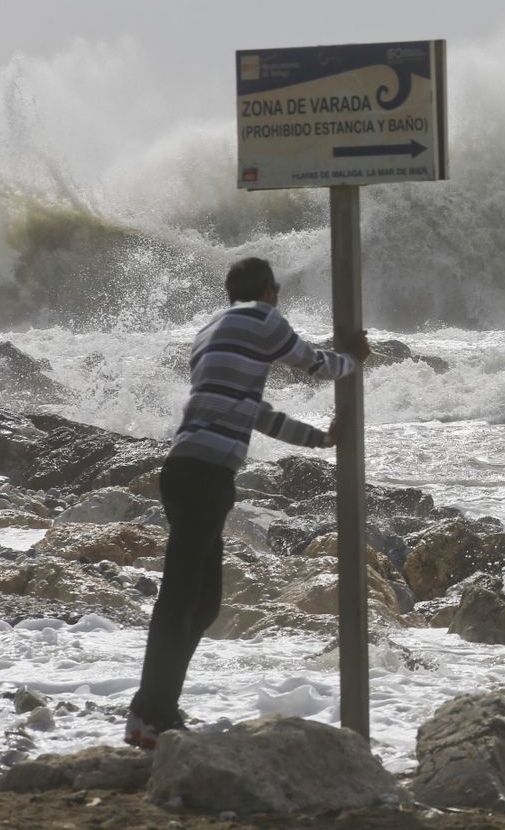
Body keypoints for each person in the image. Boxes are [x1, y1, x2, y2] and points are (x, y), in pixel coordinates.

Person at [125, 256, 370, 749]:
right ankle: (147, 714)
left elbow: (254, 412)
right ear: (267, 290)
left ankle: (159, 707)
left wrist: (319, 440)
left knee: (203, 601)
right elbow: (313, 365)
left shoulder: (209, 333)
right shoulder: (263, 318)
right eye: (276, 289)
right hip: (205, 474)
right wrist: (355, 360)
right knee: (180, 600)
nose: (278, 297)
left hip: (187, 471)